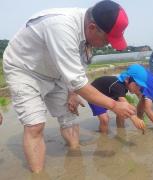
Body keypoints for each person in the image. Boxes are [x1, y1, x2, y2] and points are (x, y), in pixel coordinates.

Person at [3, 0, 135, 173]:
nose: (108, 44)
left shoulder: (88, 38)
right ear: (93, 27)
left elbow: (78, 71)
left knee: (69, 118)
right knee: (35, 125)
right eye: (107, 40)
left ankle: (75, 161)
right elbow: (80, 83)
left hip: (55, 71)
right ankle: (39, 175)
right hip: (25, 70)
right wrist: (114, 105)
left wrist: (72, 92)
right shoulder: (61, 27)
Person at [88, 64, 146, 133]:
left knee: (121, 112)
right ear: (127, 79)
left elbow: (138, 96)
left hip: (107, 95)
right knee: (105, 119)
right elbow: (124, 103)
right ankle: (103, 138)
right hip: (94, 95)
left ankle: (121, 130)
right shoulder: (118, 85)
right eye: (137, 85)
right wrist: (134, 118)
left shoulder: (124, 86)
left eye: (140, 86)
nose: (138, 88)